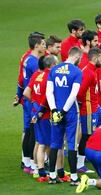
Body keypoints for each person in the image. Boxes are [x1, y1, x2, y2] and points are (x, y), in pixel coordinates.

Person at [46, 46, 83, 185]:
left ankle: (52, 176)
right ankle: (74, 178)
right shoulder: (77, 71)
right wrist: (64, 111)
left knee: (55, 143)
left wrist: (55, 110)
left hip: (55, 111)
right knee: (72, 143)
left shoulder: (54, 70)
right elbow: (73, 94)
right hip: (71, 112)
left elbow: (49, 92)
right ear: (78, 57)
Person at [23, 55, 58, 182]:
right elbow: (49, 97)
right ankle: (43, 171)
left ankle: (37, 169)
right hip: (45, 114)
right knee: (45, 144)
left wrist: (35, 104)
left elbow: (26, 93)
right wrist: (41, 108)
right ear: (52, 65)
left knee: (39, 142)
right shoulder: (50, 77)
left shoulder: (37, 75)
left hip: (35, 112)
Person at [77, 47, 101, 173]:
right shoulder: (88, 72)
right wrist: (82, 107)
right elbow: (80, 93)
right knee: (86, 136)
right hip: (89, 109)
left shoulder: (93, 70)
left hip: (96, 107)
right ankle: (80, 164)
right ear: (95, 58)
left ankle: (97, 149)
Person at [21, 34, 46, 174]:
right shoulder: (34, 62)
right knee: (33, 134)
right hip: (33, 100)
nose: (44, 46)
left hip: (28, 99)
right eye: (42, 44)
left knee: (29, 131)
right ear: (36, 45)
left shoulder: (27, 59)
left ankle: (26, 162)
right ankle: (31, 163)